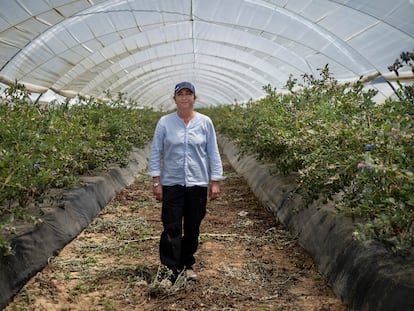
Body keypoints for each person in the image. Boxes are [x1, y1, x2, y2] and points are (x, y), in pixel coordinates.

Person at [148, 81, 224, 282]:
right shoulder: (165, 122)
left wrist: (215, 180)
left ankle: (186, 264)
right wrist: (157, 182)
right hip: (172, 183)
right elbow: (156, 152)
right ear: (174, 99)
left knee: (193, 227)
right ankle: (169, 268)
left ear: (194, 98)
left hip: (197, 183)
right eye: (180, 94)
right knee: (171, 226)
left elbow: (213, 152)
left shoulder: (205, 122)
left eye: (188, 94)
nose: (184, 97)